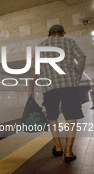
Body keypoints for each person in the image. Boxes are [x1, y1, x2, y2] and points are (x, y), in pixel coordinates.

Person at [28, 24, 86, 162]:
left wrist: (31, 88)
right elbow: (81, 58)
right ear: (62, 34)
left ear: (48, 35)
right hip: (69, 85)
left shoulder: (40, 47)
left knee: (52, 117)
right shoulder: (70, 42)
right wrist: (78, 75)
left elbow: (35, 69)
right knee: (71, 118)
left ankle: (58, 147)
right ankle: (68, 153)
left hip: (49, 88)